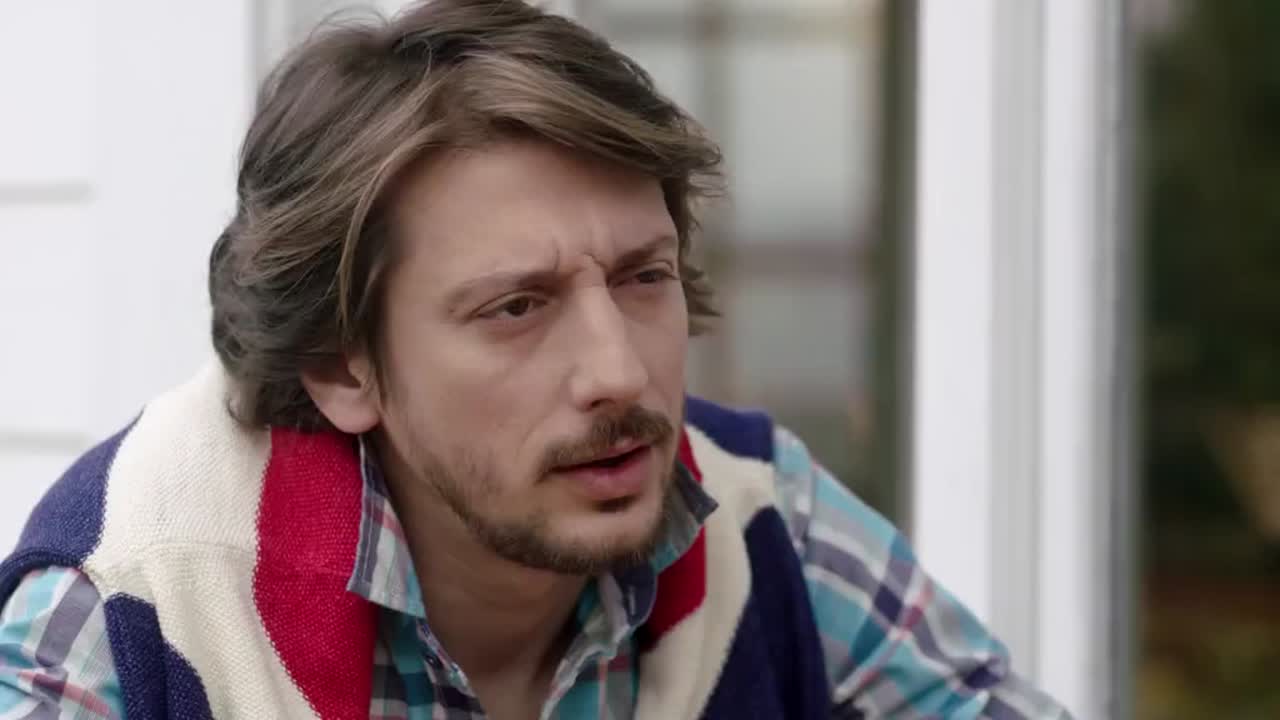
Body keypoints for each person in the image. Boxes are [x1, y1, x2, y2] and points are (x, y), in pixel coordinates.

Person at [0, 1, 1071, 718]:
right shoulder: (133, 602)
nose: (618, 373)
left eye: (642, 277)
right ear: (341, 366)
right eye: (517, 307)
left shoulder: (759, 521)